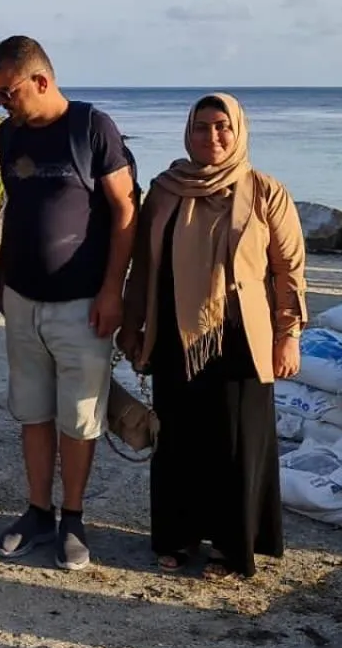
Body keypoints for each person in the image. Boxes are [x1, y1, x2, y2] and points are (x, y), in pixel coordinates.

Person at [118, 93, 306, 579]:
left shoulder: (265, 192)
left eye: (222, 126)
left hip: (241, 339)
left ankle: (231, 546)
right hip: (175, 334)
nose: (212, 137)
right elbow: (143, 266)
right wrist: (133, 324)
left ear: (238, 130)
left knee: (235, 444)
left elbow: (290, 271)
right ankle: (177, 538)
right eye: (202, 127)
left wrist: (289, 336)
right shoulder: (165, 190)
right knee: (176, 441)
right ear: (188, 132)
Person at [0, 35, 136, 571]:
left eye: (8, 93)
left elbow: (124, 213)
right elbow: (15, 211)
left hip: (82, 304)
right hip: (22, 300)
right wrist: (1, 276)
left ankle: (73, 517)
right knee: (31, 410)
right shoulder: (8, 135)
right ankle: (37, 511)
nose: (2, 104)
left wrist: (113, 290)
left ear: (40, 81)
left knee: (79, 415)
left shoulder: (92, 128)